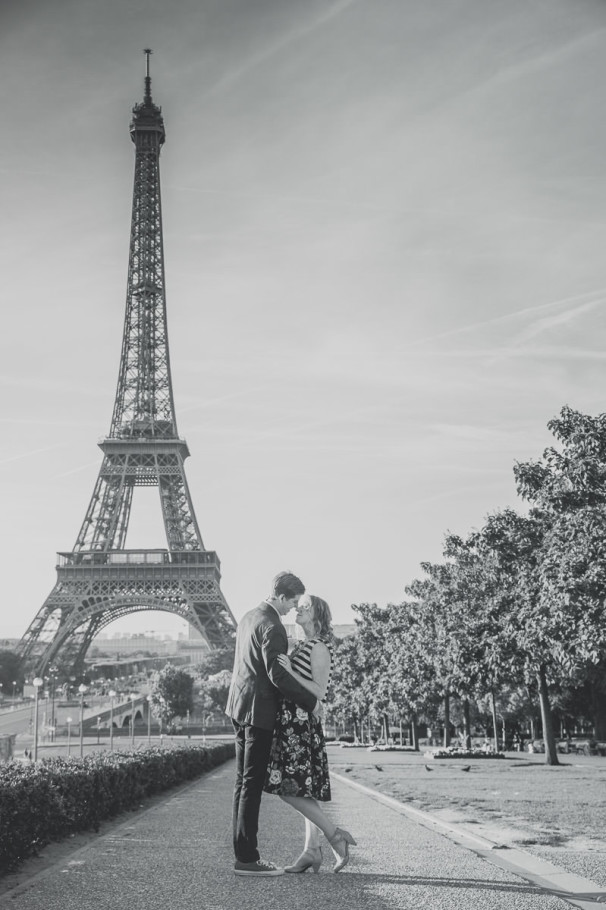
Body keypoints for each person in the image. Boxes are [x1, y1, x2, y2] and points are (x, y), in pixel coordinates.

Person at [225, 571, 318, 877]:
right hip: (259, 713)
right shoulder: (273, 626)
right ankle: (248, 859)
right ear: (280, 596)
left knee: (242, 783)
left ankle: (243, 852)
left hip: (238, 707)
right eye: (292, 601)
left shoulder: (249, 617)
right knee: (251, 785)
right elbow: (278, 676)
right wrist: (312, 702)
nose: (293, 607)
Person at [263, 594, 356, 873]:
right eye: (298, 605)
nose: (298, 609)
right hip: (292, 721)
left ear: (318, 616)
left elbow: (319, 691)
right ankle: (311, 850)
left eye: (305, 606)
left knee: (289, 790)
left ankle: (334, 836)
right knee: (302, 788)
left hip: (301, 724)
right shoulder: (304, 644)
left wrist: (291, 671)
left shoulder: (319, 647)